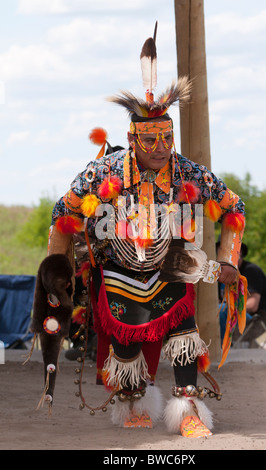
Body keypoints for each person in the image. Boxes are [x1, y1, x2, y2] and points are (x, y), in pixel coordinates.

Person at [29, 27, 246, 438]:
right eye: (151, 140)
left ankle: (188, 413)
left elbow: (235, 207)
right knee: (126, 340)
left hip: (174, 264)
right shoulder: (103, 172)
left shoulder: (187, 171)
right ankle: (133, 404)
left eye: (167, 137)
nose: (161, 147)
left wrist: (227, 260)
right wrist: (58, 271)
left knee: (184, 337)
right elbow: (63, 215)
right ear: (133, 139)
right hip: (119, 268)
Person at [233, 243, 266, 346]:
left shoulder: (250, 271)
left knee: (220, 320)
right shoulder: (222, 274)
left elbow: (252, 305)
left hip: (260, 318)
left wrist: (228, 309)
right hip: (244, 319)